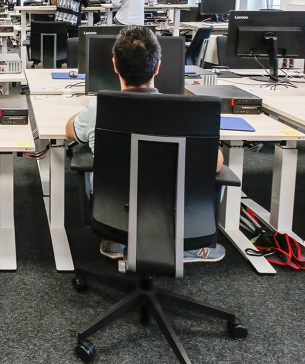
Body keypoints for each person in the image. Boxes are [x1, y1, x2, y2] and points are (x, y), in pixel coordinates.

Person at [65, 26, 225, 262]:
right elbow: (216, 164)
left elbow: (71, 132)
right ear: (158, 66)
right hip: (177, 208)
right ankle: (184, 245)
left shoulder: (100, 107)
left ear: (114, 65)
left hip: (115, 210)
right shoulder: (187, 112)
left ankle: (118, 241)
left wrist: (82, 115)